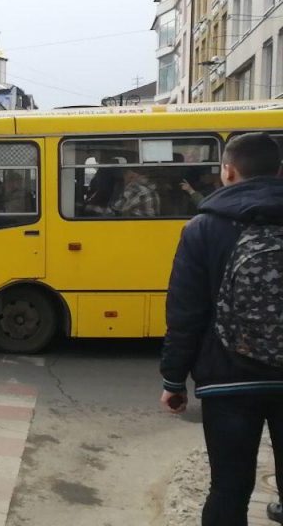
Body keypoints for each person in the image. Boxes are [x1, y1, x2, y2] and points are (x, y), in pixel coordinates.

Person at [160, 132, 283, 526]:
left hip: (228, 379)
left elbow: (185, 312)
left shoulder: (202, 228)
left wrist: (174, 381)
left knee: (228, 489)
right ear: (279, 171)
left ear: (227, 171)